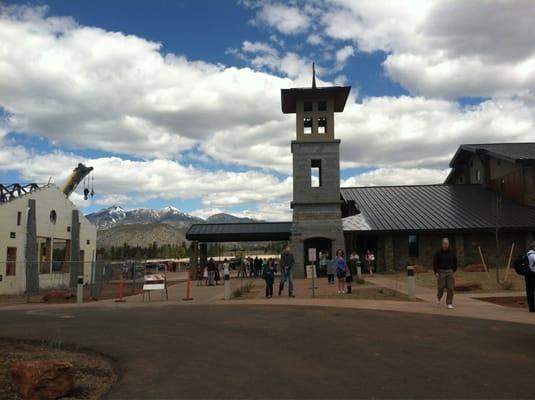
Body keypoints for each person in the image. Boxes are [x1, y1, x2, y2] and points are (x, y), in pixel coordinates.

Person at [433, 238, 458, 309]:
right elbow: (435, 263)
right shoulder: (438, 253)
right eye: (445, 244)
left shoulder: (452, 252)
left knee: (450, 288)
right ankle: (438, 297)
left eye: (447, 244)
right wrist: (436, 272)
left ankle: (449, 303)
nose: (446, 245)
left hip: (450, 271)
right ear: (442, 244)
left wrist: (454, 270)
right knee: (441, 287)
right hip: (441, 271)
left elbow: (455, 261)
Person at [525, 242, 535, 312]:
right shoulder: (532, 255)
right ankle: (532, 307)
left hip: (528, 274)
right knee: (531, 291)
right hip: (533, 274)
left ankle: (531, 306)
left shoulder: (527, 254)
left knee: (530, 291)